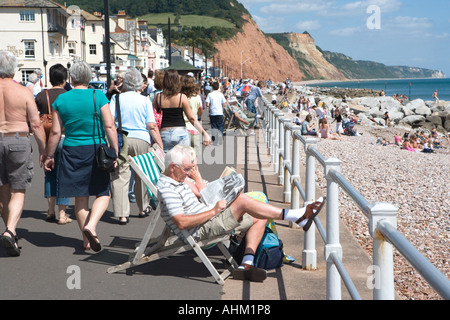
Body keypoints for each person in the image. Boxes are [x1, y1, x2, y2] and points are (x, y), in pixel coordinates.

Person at [157, 145, 324, 282]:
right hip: (201, 229)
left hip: (209, 218)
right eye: (186, 169)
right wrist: (213, 210)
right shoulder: (167, 188)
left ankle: (247, 264)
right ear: (173, 168)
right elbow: (182, 223)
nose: (188, 173)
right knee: (243, 200)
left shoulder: (178, 181)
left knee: (259, 215)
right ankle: (296, 216)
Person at [44, 61, 118, 252]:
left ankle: (86, 241)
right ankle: (91, 225)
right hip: (96, 148)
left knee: (80, 197)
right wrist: (115, 152)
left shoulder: (61, 100)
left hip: (72, 150)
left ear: (72, 78)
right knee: (104, 192)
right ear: (89, 78)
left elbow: (55, 132)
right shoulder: (98, 95)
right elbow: (110, 126)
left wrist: (49, 155)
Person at [0, 51, 47, 256]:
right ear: (14, 69)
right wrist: (44, 150)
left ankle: (10, 231)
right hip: (18, 138)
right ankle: (10, 231)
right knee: (18, 189)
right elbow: (36, 124)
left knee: (2, 189)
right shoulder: (23, 92)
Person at [109, 68, 164, 225]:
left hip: (122, 139)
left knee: (120, 176)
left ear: (125, 82)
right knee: (142, 175)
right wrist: (159, 145)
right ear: (140, 84)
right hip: (141, 139)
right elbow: (152, 125)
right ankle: (142, 207)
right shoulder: (145, 100)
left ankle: (122, 214)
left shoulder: (117, 99)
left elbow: (110, 121)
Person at [35, 64, 71, 224]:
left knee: (49, 174)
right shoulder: (68, 95)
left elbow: (34, 119)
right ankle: (62, 214)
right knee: (63, 175)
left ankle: (50, 210)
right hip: (64, 137)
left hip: (47, 138)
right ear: (64, 79)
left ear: (50, 78)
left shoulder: (42, 95)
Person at [157, 70, 211, 153]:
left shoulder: (158, 97)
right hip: (180, 131)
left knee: (167, 162)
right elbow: (192, 118)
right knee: (184, 161)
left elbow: (154, 117)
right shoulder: (181, 97)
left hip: (164, 132)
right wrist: (204, 133)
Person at [181, 74, 203, 159]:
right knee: (194, 157)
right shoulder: (197, 97)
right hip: (194, 128)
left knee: (183, 157)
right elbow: (200, 111)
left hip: (182, 128)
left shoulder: (180, 97)